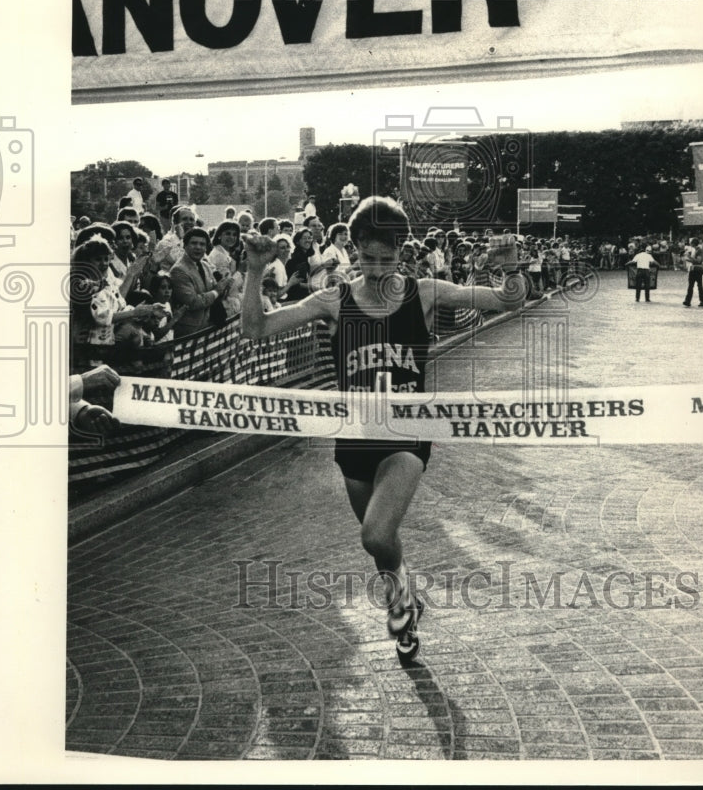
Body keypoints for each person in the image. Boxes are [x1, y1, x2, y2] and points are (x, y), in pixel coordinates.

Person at [241, 196, 525, 646]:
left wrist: (510, 266)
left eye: (387, 259)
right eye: (367, 258)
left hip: (407, 437)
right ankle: (403, 603)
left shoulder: (425, 292)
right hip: (354, 439)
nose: (376, 269)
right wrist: (255, 271)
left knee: (374, 534)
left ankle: (401, 601)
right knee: (382, 543)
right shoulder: (333, 300)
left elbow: (508, 301)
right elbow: (256, 329)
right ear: (353, 249)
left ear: (402, 252)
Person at [169, 227, 232, 338]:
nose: (198, 247)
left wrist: (224, 287)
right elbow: (192, 302)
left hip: (207, 327)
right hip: (188, 333)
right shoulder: (178, 270)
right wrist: (217, 291)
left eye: (202, 244)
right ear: (185, 246)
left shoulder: (206, 266)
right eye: (194, 243)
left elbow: (215, 295)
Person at [682, 237, 703, 307]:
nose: (689, 244)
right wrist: (686, 259)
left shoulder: (699, 250)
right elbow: (693, 260)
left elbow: (698, 261)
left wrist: (689, 257)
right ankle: (687, 301)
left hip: (697, 269)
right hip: (692, 269)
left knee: (699, 286)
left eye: (690, 242)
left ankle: (701, 301)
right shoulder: (693, 250)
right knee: (690, 286)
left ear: (693, 243)